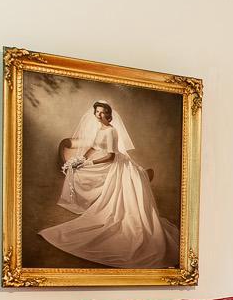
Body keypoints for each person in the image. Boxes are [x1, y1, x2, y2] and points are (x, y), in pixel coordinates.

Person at [40, 100, 179, 268]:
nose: (99, 115)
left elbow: (111, 157)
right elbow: (93, 147)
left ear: (108, 114)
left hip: (116, 163)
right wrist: (81, 159)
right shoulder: (100, 129)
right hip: (104, 159)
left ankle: (143, 175)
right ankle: (143, 175)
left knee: (125, 200)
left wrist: (90, 163)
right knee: (76, 170)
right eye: (97, 112)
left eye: (102, 112)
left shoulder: (112, 131)